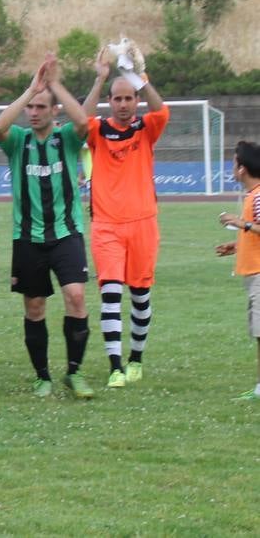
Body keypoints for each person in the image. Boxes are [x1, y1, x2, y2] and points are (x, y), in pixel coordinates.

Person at [0, 55, 95, 399]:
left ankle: (75, 372)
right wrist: (30, 90)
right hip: (27, 239)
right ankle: (42, 376)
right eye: (31, 107)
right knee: (34, 307)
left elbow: (82, 120)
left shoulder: (66, 137)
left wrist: (54, 86)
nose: (34, 112)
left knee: (76, 296)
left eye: (41, 107)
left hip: (67, 234)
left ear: (54, 111)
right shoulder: (18, 141)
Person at [82, 43, 170, 388]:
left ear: (135, 101)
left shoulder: (146, 128)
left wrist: (138, 76)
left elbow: (162, 111)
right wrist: (101, 78)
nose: (122, 104)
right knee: (111, 293)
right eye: (116, 99)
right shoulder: (98, 131)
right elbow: (81, 118)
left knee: (141, 296)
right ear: (110, 102)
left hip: (143, 223)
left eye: (127, 98)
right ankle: (115, 365)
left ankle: (136, 359)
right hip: (106, 226)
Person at [214, 140, 260, 400]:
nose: (232, 167)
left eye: (234, 162)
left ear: (242, 168)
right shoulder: (253, 196)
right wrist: (236, 245)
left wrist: (239, 224)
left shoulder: (258, 196)